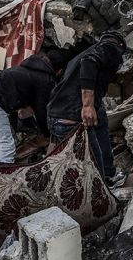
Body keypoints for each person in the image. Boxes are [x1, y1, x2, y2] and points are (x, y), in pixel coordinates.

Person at [47, 30, 126, 186]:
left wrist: (94, 105)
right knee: (92, 162)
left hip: (57, 114)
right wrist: (88, 105)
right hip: (72, 116)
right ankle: (101, 192)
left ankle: (109, 175)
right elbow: (90, 62)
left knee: (101, 122)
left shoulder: (81, 55)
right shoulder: (110, 48)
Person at [0, 49, 69, 163]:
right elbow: (42, 110)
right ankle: (2, 178)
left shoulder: (29, 66)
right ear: (59, 71)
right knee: (6, 149)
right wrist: (46, 133)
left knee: (5, 142)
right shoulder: (46, 79)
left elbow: (23, 109)